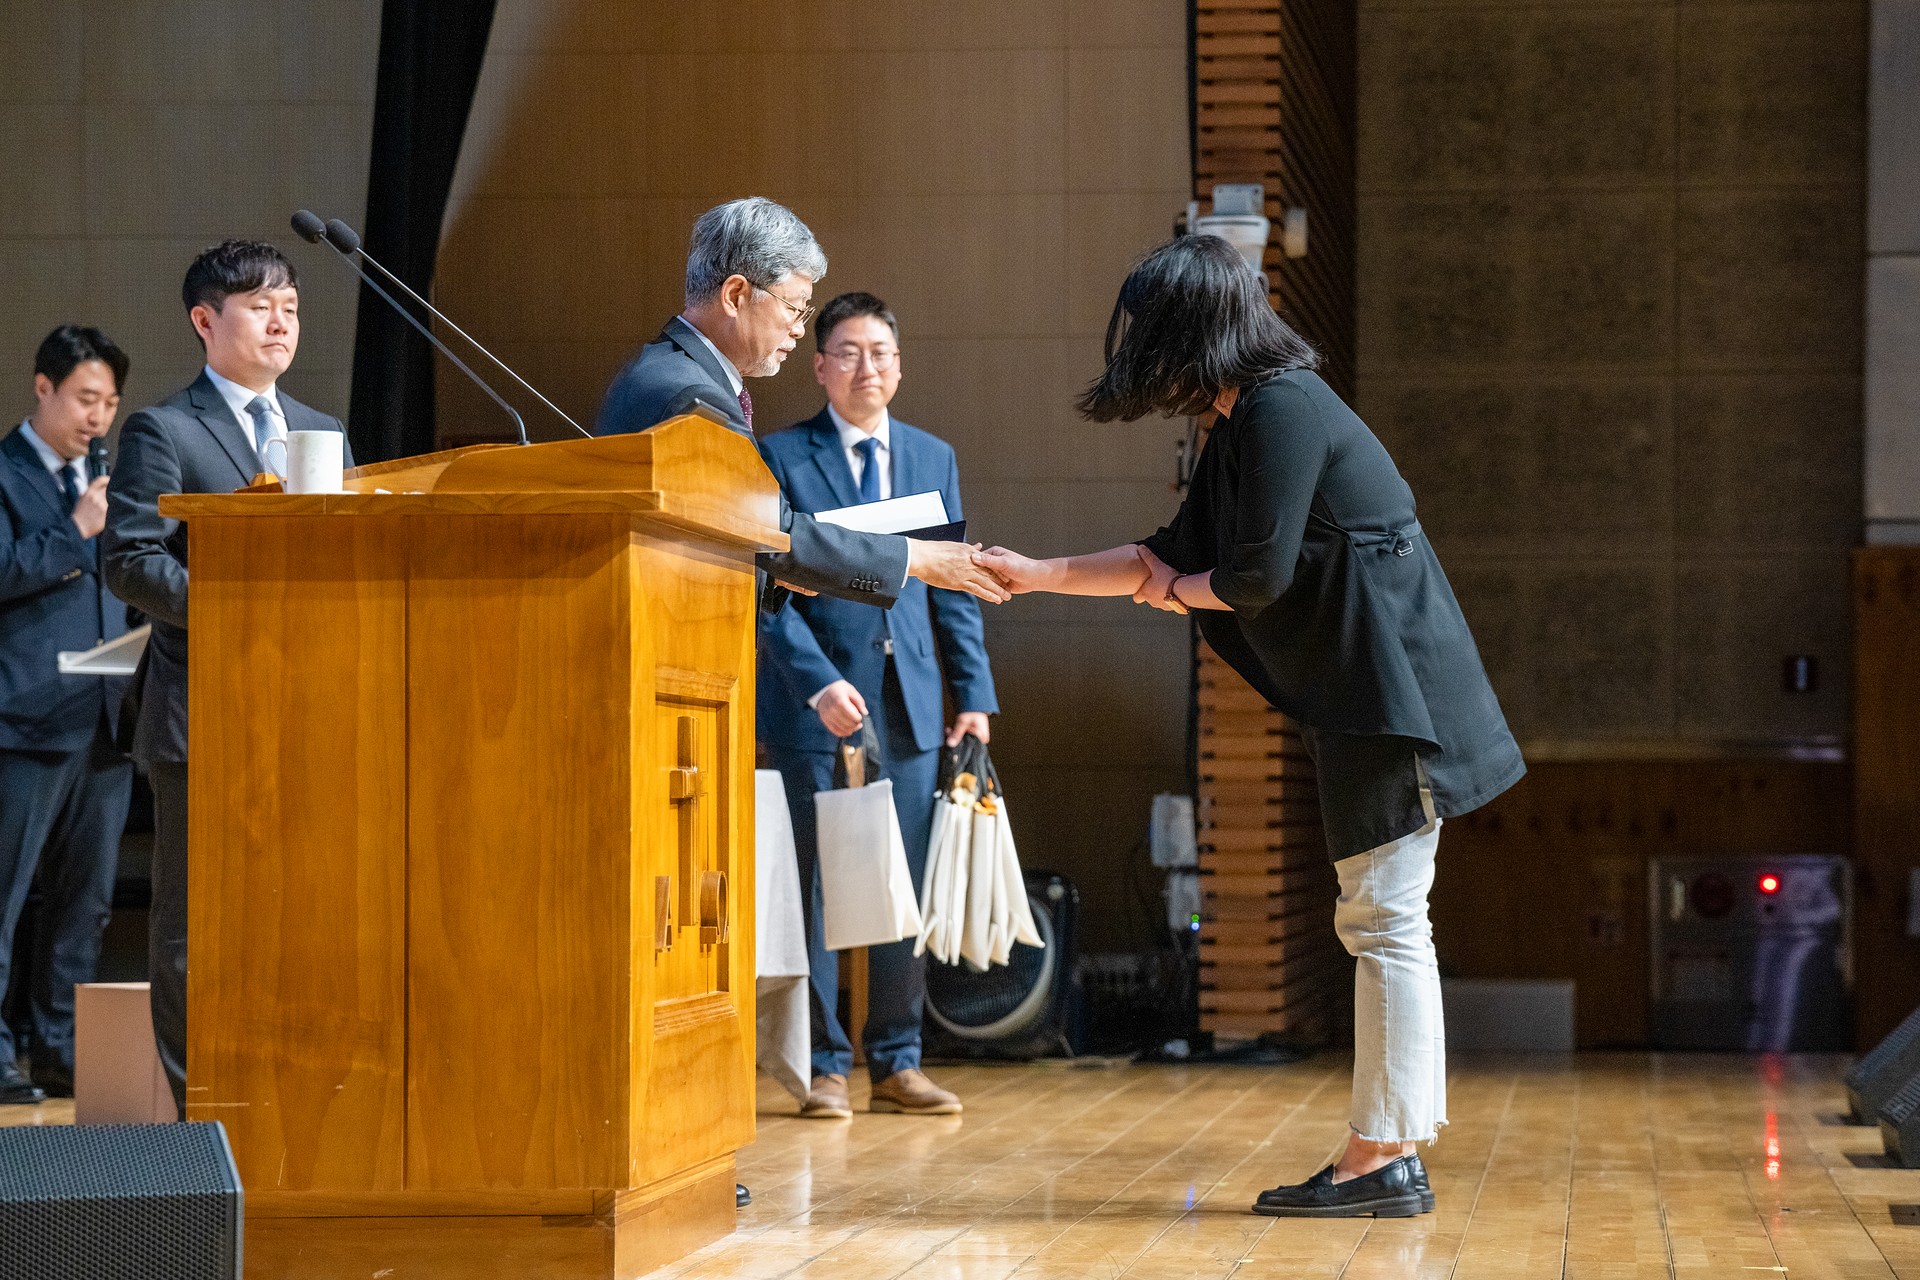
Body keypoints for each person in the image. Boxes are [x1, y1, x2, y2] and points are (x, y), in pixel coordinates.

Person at [981, 236, 1525, 1218]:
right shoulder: (1245, 422)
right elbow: (1168, 557)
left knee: (1385, 918)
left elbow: (1252, 578)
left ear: (1192, 329)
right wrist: (1039, 574)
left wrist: (1174, 589)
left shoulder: (1283, 408)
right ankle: (1390, 1148)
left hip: (1396, 698)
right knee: (1384, 917)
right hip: (1368, 695)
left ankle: (1382, 1156)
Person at [103, 240, 354, 1116]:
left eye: (291, 306)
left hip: (310, 710)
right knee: (195, 928)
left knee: (301, 916)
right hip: (203, 712)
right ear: (205, 321)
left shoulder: (324, 430)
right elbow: (131, 562)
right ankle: (199, 1116)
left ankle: (290, 1102)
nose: (281, 322)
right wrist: (246, 610)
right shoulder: (164, 430)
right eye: (259, 306)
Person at [758, 293, 997, 1119]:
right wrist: (817, 681)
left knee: (905, 881)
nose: (869, 367)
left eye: (882, 352)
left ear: (900, 365)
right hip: (816, 700)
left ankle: (897, 1061)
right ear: (820, 366)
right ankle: (825, 1065)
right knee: (817, 884)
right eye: (850, 352)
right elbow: (767, 592)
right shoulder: (779, 456)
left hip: (913, 703)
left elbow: (955, 584)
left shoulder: (933, 457)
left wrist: (974, 696)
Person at [595, 197, 1006, 609]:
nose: (798, 330)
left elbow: (714, 532)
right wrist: (915, 557)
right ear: (735, 295)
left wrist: (779, 574)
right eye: (793, 308)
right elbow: (769, 529)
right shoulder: (691, 393)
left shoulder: (667, 368)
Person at [0, 326, 135, 1105]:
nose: (98, 417)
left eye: (110, 403)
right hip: (23, 718)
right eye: (86, 398)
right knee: (8, 894)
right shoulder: (5, 472)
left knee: (86, 901)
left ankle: (58, 1047)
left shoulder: (104, 479)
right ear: (43, 387)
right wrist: (73, 530)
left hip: (102, 716)